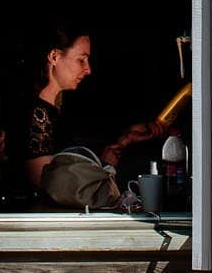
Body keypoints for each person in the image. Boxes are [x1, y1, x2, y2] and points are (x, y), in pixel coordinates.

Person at [17, 25, 162, 197]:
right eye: (81, 60)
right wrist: (103, 167)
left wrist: (125, 139)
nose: (88, 69)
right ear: (54, 57)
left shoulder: (55, 110)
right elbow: (48, 189)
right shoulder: (38, 115)